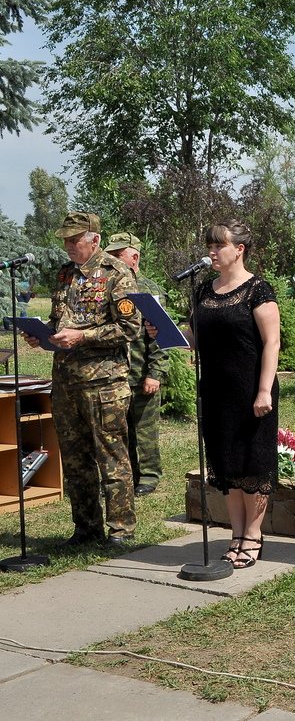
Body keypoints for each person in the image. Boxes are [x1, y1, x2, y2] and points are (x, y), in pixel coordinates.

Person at [24, 212, 141, 546]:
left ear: (95, 240)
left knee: (112, 458)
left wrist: (81, 337)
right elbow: (61, 322)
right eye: (65, 240)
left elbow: (129, 328)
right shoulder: (64, 275)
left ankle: (120, 530)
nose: (68, 245)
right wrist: (42, 336)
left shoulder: (116, 273)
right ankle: (86, 528)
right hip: (65, 382)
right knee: (75, 460)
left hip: (104, 383)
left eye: (75, 240)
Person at [195, 220, 280, 569]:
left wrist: (263, 390)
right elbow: (196, 338)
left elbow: (272, 342)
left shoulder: (258, 289)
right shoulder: (203, 289)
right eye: (210, 246)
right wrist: (165, 330)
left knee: (253, 464)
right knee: (227, 465)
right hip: (215, 391)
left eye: (219, 246)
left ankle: (254, 536)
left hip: (250, 390)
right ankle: (236, 533)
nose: (212, 252)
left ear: (239, 250)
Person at [105, 232, 168, 496]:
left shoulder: (149, 289)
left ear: (134, 257)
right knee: (121, 430)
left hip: (142, 372)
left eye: (116, 256)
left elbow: (160, 336)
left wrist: (155, 373)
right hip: (116, 373)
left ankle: (150, 475)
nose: (111, 262)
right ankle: (128, 474)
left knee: (144, 429)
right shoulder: (108, 288)